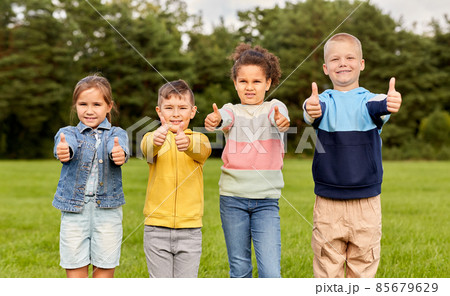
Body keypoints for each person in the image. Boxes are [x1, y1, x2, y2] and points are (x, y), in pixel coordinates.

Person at [303, 33, 402, 278]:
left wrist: (391, 101)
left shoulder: (369, 101)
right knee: (328, 268)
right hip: (328, 203)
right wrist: (309, 107)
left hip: (366, 202)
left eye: (350, 57)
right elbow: (311, 109)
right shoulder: (323, 102)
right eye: (335, 59)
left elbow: (382, 104)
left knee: (363, 266)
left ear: (361, 64)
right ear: (326, 68)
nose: (343, 63)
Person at [204, 44, 290, 278]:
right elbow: (224, 117)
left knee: (271, 273)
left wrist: (281, 122)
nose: (249, 87)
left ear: (268, 83)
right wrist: (216, 119)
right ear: (235, 83)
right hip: (232, 200)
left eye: (256, 82)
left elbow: (279, 117)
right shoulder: (231, 110)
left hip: (266, 202)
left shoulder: (275, 107)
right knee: (240, 269)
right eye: (243, 81)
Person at [53, 74, 129, 278]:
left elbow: (121, 148)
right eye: (83, 104)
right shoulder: (67, 132)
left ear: (108, 106)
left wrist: (119, 154)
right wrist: (64, 149)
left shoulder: (117, 134)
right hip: (74, 213)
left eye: (96, 104)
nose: (89, 110)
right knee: (76, 272)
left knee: (104, 273)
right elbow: (64, 145)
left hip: (107, 213)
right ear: (75, 105)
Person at [140, 79, 211, 278]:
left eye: (182, 107)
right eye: (169, 108)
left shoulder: (199, 139)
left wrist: (187, 143)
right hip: (156, 228)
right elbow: (146, 150)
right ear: (159, 111)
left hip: (190, 230)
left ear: (193, 111)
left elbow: (203, 151)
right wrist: (157, 138)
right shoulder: (151, 138)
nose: (176, 113)